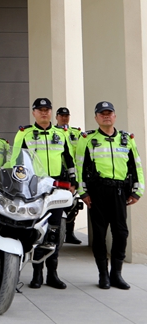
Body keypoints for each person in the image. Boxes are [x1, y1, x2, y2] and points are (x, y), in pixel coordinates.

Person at [76, 101, 144, 290]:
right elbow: (80, 166)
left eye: (109, 113)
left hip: (120, 192)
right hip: (97, 193)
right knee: (99, 235)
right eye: (102, 113)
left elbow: (136, 166)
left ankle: (116, 274)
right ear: (96, 117)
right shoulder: (87, 139)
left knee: (121, 233)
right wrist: (83, 192)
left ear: (115, 116)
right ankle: (103, 275)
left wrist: (138, 191)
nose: (106, 116)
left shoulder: (126, 139)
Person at [12, 98, 76, 290]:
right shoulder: (24, 133)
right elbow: (15, 161)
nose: (44, 112)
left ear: (51, 112)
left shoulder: (61, 133)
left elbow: (69, 160)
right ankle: (37, 273)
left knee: (54, 231)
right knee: (37, 230)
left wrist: (73, 183)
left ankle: (52, 274)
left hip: (56, 187)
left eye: (47, 109)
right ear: (34, 113)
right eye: (40, 110)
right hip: (34, 187)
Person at [55, 107, 83, 245]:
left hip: (73, 173)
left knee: (73, 204)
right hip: (58, 173)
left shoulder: (76, 133)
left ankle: (69, 233)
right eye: (61, 115)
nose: (64, 118)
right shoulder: (53, 132)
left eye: (66, 115)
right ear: (57, 117)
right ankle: (55, 232)